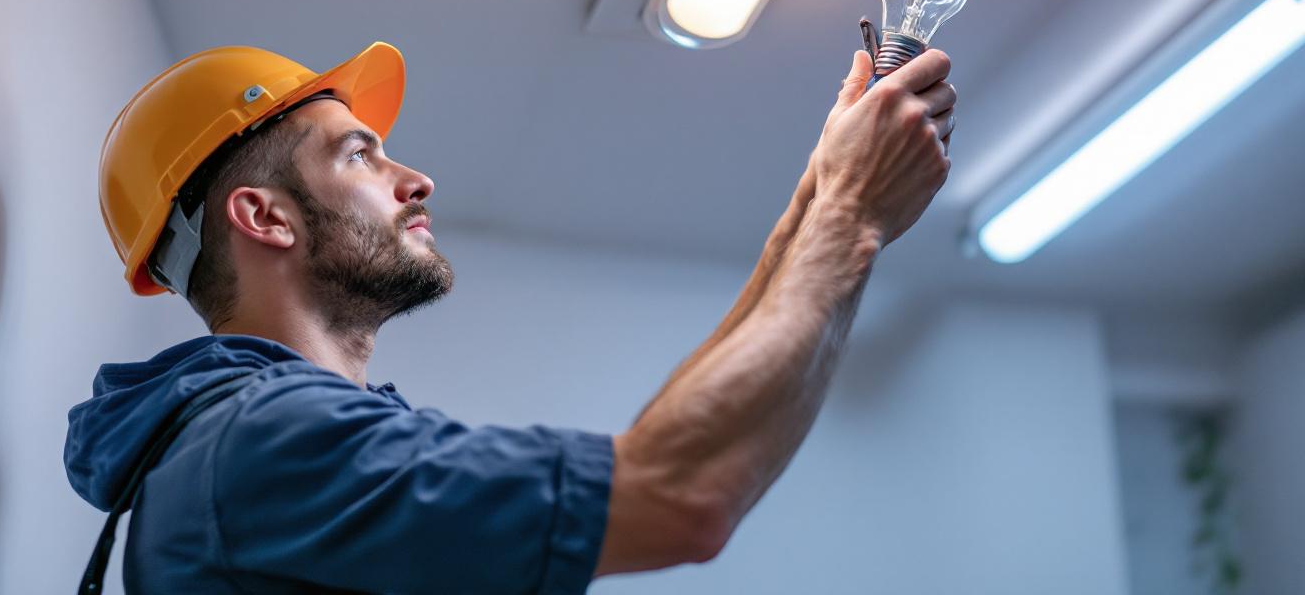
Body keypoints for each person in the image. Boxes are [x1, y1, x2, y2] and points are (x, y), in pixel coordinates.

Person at [64, 39, 955, 593]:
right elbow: (680, 493)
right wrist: (850, 213)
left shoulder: (274, 444)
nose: (416, 181)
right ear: (266, 217)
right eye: (360, 154)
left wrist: (821, 196)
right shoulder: (271, 443)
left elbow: (673, 470)